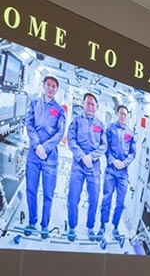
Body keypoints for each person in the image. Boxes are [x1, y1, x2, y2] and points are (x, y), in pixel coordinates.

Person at [23, 76, 66, 239]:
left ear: (56, 90)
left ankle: (44, 226)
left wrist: (45, 147)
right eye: (48, 85)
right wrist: (36, 145)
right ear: (43, 86)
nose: (51, 88)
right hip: (33, 156)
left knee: (48, 194)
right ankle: (32, 222)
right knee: (31, 190)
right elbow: (29, 123)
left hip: (50, 158)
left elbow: (60, 133)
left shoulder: (59, 110)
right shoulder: (34, 103)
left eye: (54, 86)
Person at [66, 93, 107, 241]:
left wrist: (91, 157)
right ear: (83, 104)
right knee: (73, 198)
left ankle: (90, 227)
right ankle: (72, 227)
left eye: (93, 104)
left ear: (97, 107)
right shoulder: (76, 121)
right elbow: (71, 140)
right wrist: (82, 156)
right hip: (78, 165)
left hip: (93, 167)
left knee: (94, 199)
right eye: (88, 103)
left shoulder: (101, 125)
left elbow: (104, 146)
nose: (90, 106)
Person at [98, 105, 136, 240]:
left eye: (125, 114)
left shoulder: (130, 133)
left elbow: (133, 153)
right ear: (117, 114)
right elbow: (106, 147)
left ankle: (115, 227)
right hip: (110, 170)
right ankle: (102, 225)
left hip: (123, 174)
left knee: (120, 202)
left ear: (128, 116)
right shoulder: (110, 128)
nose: (123, 116)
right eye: (121, 113)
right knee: (107, 198)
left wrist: (124, 163)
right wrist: (113, 160)